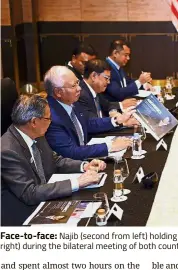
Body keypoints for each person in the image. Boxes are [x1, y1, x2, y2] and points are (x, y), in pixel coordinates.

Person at [1, 94, 105, 226]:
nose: (51, 122)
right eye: (48, 118)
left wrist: (84, 166)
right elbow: (30, 193)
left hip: (45, 197)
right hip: (24, 213)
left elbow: (54, 160)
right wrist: (77, 182)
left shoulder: (35, 134)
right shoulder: (7, 151)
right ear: (34, 122)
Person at [44, 66, 134, 160]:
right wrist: (110, 146)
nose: (79, 88)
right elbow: (71, 152)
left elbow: (88, 123)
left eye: (77, 82)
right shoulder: (49, 116)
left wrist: (116, 120)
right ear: (58, 92)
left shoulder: (70, 101)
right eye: (73, 85)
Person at [66, 44, 136, 115]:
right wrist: (115, 120)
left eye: (91, 63)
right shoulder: (71, 80)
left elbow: (104, 104)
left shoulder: (94, 87)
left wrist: (117, 109)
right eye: (85, 63)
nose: (89, 67)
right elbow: (91, 122)